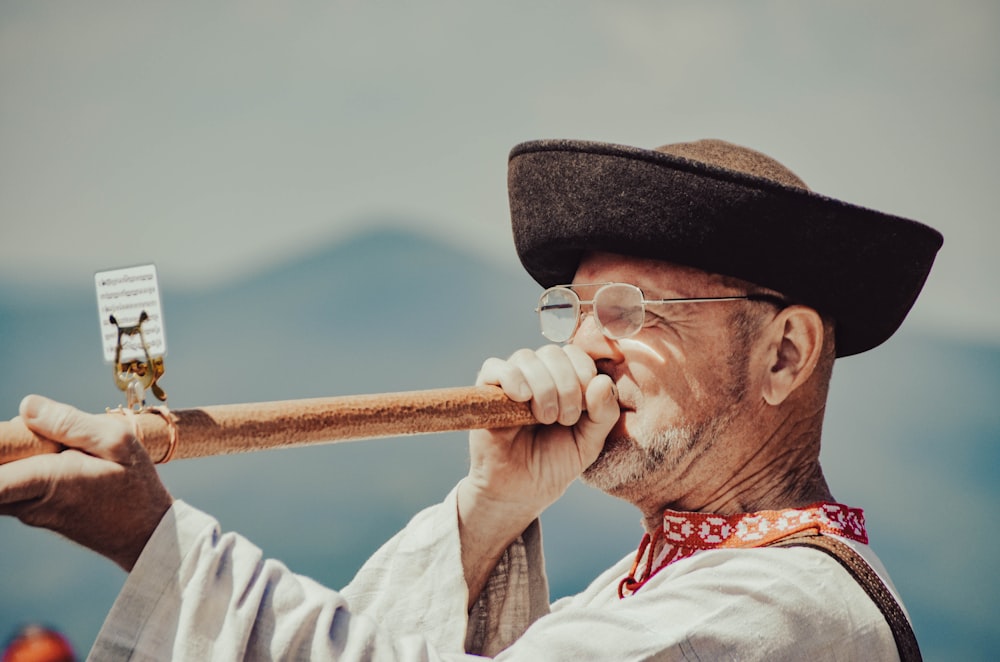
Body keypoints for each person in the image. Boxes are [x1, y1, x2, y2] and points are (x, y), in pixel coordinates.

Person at [0, 138, 942, 660]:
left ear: (784, 354)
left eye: (634, 312)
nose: (584, 346)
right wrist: (492, 508)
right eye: (575, 309)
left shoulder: (781, 613)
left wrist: (149, 538)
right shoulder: (666, 581)